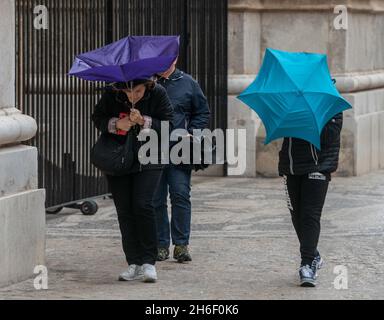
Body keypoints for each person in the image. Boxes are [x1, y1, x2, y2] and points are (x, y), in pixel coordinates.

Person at [91, 79, 173, 282]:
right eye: (127, 91)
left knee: (143, 205)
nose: (132, 96)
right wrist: (116, 124)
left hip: (151, 156)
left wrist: (144, 121)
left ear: (146, 85)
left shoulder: (158, 93)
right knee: (124, 210)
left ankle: (148, 262)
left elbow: (170, 125)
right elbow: (97, 117)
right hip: (118, 157)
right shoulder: (112, 93)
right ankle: (134, 262)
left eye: (137, 91)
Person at [154, 59, 210, 263]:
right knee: (156, 199)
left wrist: (192, 132)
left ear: (175, 59)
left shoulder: (189, 83)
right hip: (152, 148)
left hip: (180, 149)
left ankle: (180, 245)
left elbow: (203, 112)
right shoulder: (149, 82)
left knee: (180, 195)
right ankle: (160, 245)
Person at [278, 112, 343, 287]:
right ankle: (314, 254)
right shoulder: (290, 102)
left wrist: (311, 119)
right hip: (291, 165)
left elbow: (331, 135)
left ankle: (307, 264)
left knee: (309, 215)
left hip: (318, 165)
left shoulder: (329, 101)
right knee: (296, 215)